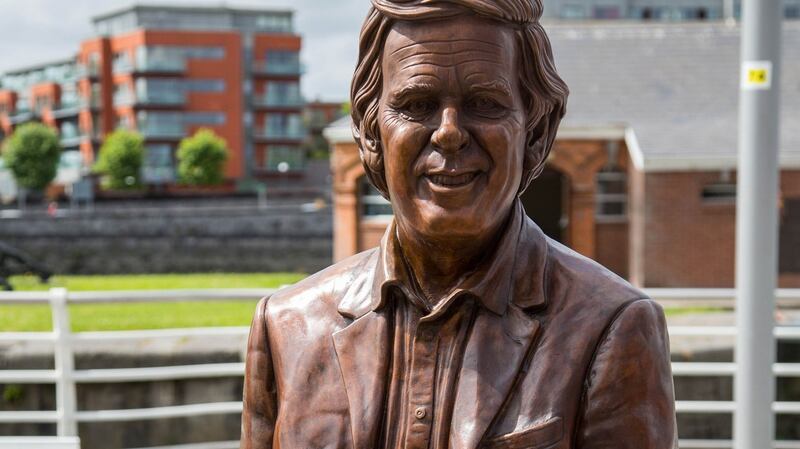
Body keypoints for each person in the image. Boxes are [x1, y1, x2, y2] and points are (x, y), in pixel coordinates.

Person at [241, 1, 678, 448]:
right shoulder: (286, 326)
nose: (449, 132)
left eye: (485, 104)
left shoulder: (611, 327)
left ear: (536, 130)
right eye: (417, 104)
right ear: (371, 129)